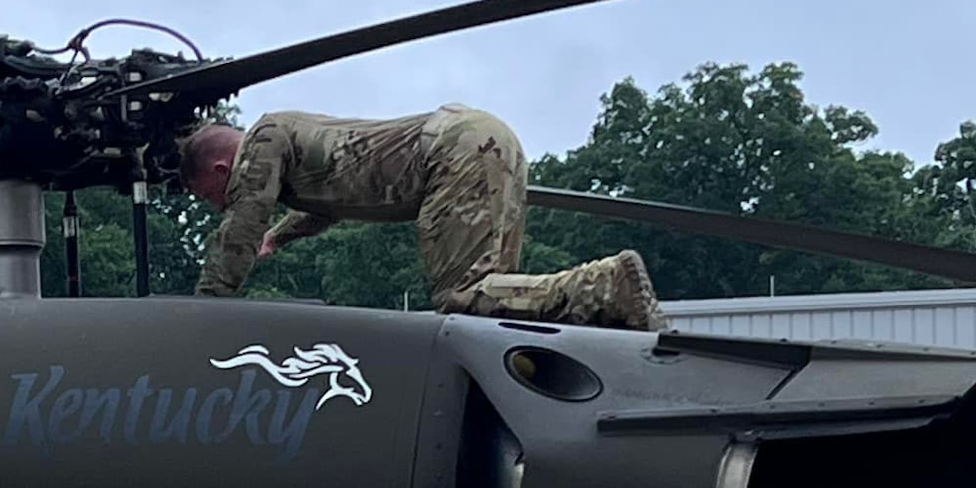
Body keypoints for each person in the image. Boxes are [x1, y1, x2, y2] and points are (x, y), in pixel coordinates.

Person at [176, 110, 665, 329]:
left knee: (462, 299)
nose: (218, 205)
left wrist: (203, 311)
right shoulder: (290, 147)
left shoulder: (262, 141)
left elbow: (239, 227)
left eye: (209, 196)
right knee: (499, 303)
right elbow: (324, 205)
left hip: (451, 155)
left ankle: (607, 285)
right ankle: (609, 315)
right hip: (487, 143)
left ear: (222, 169)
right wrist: (279, 239)